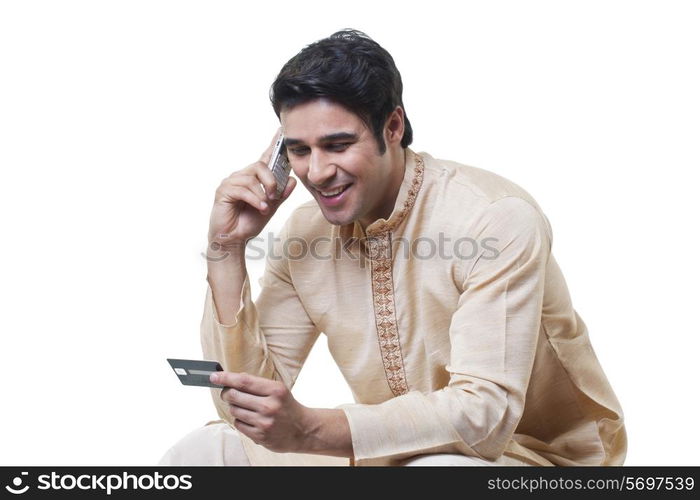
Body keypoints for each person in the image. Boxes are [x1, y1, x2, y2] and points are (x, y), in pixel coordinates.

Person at [158, 29, 626, 466]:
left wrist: (313, 429)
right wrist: (226, 250)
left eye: (338, 144)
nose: (316, 172)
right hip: (392, 451)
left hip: (531, 457)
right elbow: (244, 411)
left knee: (438, 470)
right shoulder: (304, 235)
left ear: (393, 126)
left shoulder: (493, 218)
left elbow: (484, 417)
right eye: (299, 150)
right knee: (208, 450)